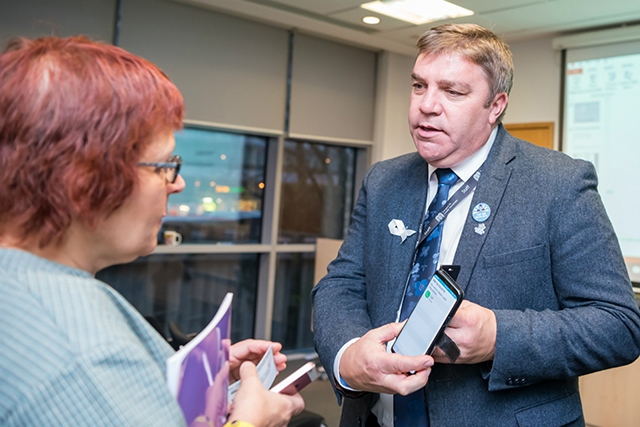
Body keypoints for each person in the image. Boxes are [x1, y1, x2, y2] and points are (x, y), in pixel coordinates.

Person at [312, 23, 640, 427]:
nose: (426, 106)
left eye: (452, 91)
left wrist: (499, 336)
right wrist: (348, 355)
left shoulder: (558, 184)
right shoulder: (384, 180)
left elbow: (618, 325)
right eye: (419, 86)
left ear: (496, 105)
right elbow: (341, 284)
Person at [0, 36, 304, 427]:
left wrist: (191, 385)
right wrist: (251, 423)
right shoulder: (86, 353)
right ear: (82, 181)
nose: (176, 184)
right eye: (164, 166)